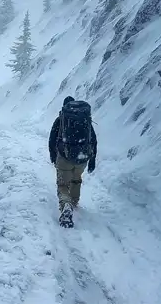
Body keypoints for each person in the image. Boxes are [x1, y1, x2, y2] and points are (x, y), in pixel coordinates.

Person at [48, 96, 97, 227]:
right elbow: (93, 140)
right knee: (77, 179)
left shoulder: (60, 121)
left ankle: (66, 205)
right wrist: (92, 160)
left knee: (62, 185)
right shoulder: (85, 121)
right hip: (82, 158)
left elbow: (52, 140)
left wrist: (53, 157)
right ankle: (74, 202)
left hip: (64, 158)